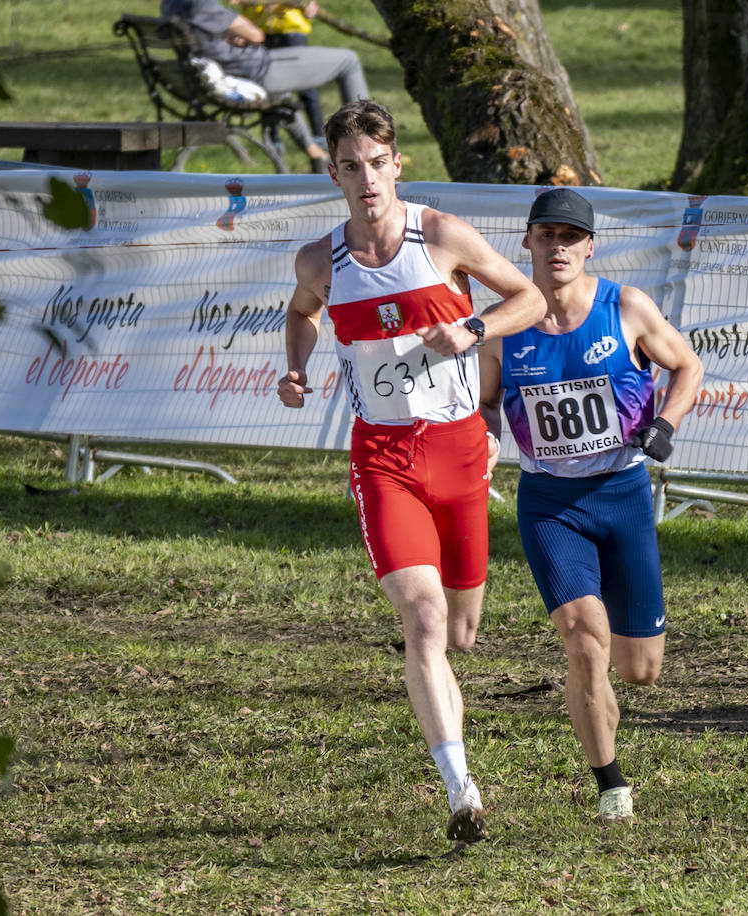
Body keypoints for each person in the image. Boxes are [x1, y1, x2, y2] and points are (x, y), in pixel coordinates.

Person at [278, 100, 545, 844]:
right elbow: (301, 314)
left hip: (459, 452)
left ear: (397, 164)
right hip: (384, 457)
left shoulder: (441, 236)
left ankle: (455, 745)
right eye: (350, 167)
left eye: (377, 163)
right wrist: (295, 369)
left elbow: (528, 297)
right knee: (422, 621)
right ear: (333, 174)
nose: (366, 179)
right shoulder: (319, 262)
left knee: (460, 632)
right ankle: (462, 792)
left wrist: (471, 328)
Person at [477, 188, 703, 824]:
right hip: (550, 502)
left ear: (589, 247)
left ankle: (618, 716)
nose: (557, 247)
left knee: (640, 671)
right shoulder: (503, 326)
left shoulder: (624, 307)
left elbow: (687, 366)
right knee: (583, 640)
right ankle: (611, 786)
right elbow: (489, 402)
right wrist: (487, 438)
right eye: (546, 235)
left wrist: (666, 423)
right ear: (527, 243)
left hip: (623, 493)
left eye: (569, 237)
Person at [161, 0, 368, 171]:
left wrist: (226, 36)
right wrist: (236, 31)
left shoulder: (170, 4)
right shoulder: (200, 4)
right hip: (255, 71)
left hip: (222, 72)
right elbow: (255, 34)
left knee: (284, 95)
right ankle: (367, 143)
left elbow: (209, 35)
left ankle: (314, 150)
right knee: (349, 61)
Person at [234, 2, 326, 142]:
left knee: (306, 85)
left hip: (292, 31)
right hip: (260, 32)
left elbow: (309, 7)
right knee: (266, 87)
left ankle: (319, 137)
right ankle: (273, 139)